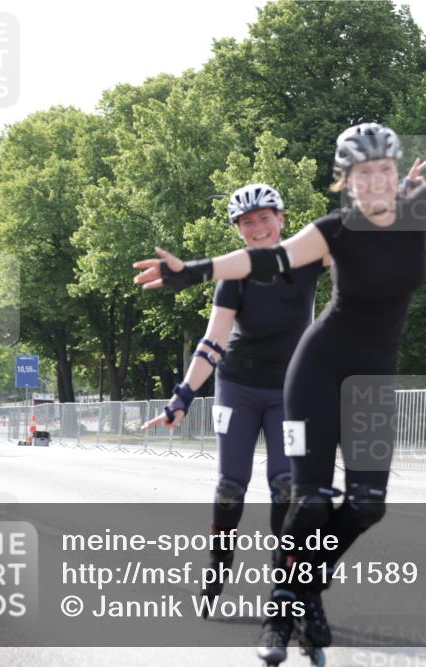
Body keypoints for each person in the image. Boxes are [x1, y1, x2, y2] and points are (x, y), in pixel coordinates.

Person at [134, 58, 426, 665]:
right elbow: (268, 261)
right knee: (310, 500)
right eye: (362, 174)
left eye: (383, 170)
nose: (374, 181)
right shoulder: (331, 231)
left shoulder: (420, 208)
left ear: (394, 173)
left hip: (372, 379)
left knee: (368, 503)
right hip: (317, 370)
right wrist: (193, 270)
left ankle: (304, 587)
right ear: (344, 181)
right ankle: (283, 612)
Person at [140, 183, 328, 614]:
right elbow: (213, 342)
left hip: (290, 392)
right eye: (248, 222)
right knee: (230, 488)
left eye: (265, 217)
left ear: (282, 219)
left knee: (287, 488)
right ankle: (218, 564)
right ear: (239, 231)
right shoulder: (233, 276)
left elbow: (360, 240)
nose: (258, 227)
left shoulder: (308, 258)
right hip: (238, 388)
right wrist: (183, 395)